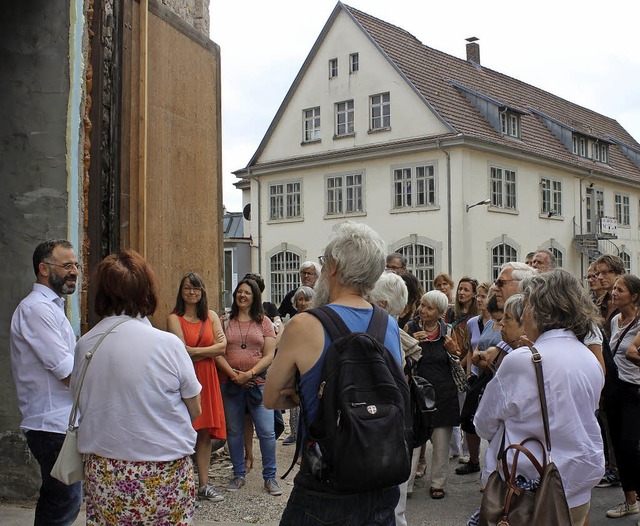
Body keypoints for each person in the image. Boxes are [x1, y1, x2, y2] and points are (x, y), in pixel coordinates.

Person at [264, 221, 403, 524]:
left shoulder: (305, 324)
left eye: (325, 262)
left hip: (328, 482)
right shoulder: (387, 324)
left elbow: (272, 398)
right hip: (381, 475)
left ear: (335, 268)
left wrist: (303, 396)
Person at [72, 250, 202, 524]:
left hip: (105, 469)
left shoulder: (86, 345)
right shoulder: (167, 345)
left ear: (102, 294)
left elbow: (80, 401)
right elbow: (195, 408)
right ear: (147, 292)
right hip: (163, 469)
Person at [475, 270, 604, 526]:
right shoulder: (588, 357)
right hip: (577, 488)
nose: (524, 314)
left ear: (540, 310)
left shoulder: (522, 361)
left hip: (529, 491)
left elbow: (483, 423)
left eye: (528, 305)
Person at [9, 239, 82, 526]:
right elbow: (67, 371)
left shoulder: (51, 307)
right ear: (43, 269)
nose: (74, 271)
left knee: (61, 501)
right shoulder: (36, 309)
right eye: (66, 265)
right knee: (62, 503)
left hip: (59, 423)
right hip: (50, 424)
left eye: (75, 265)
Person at [216, 278, 281, 496]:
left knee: (267, 432)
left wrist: (250, 373)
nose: (242, 295)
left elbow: (270, 354)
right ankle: (238, 474)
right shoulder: (225, 321)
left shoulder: (263, 322)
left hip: (258, 384)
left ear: (254, 297)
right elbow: (218, 352)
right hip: (231, 383)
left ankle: (270, 478)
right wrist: (233, 374)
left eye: (247, 293)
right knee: (234, 431)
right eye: (239, 292)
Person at [167, 273, 227, 502]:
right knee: (184, 429)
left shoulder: (210, 316)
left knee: (203, 433)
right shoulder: (174, 318)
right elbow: (180, 351)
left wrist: (194, 352)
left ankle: (204, 484)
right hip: (185, 377)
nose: (192, 292)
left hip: (207, 377)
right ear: (181, 292)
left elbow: (222, 347)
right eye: (187, 288)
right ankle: (182, 485)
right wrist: (206, 351)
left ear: (202, 292)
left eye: (196, 288)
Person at [405, 290, 461, 500]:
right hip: (417, 391)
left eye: (429, 307)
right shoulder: (410, 328)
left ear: (440, 312)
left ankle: (438, 483)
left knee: (441, 442)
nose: (423, 310)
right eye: (422, 305)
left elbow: (456, 356)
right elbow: (401, 357)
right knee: (413, 441)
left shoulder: (447, 330)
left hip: (442, 391)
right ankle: (406, 484)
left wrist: (453, 348)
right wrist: (411, 342)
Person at [602, 274, 640, 519]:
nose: (614, 293)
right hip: (613, 388)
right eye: (614, 288)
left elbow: (632, 353)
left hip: (633, 389)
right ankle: (630, 501)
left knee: (629, 444)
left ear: (634, 296)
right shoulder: (615, 319)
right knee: (619, 443)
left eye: (620, 290)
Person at [281, 285, 315, 446]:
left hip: (313, 370)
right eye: (299, 299)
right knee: (296, 411)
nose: (303, 303)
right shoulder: (292, 323)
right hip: (296, 371)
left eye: (306, 299)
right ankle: (299, 445)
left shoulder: (319, 320)